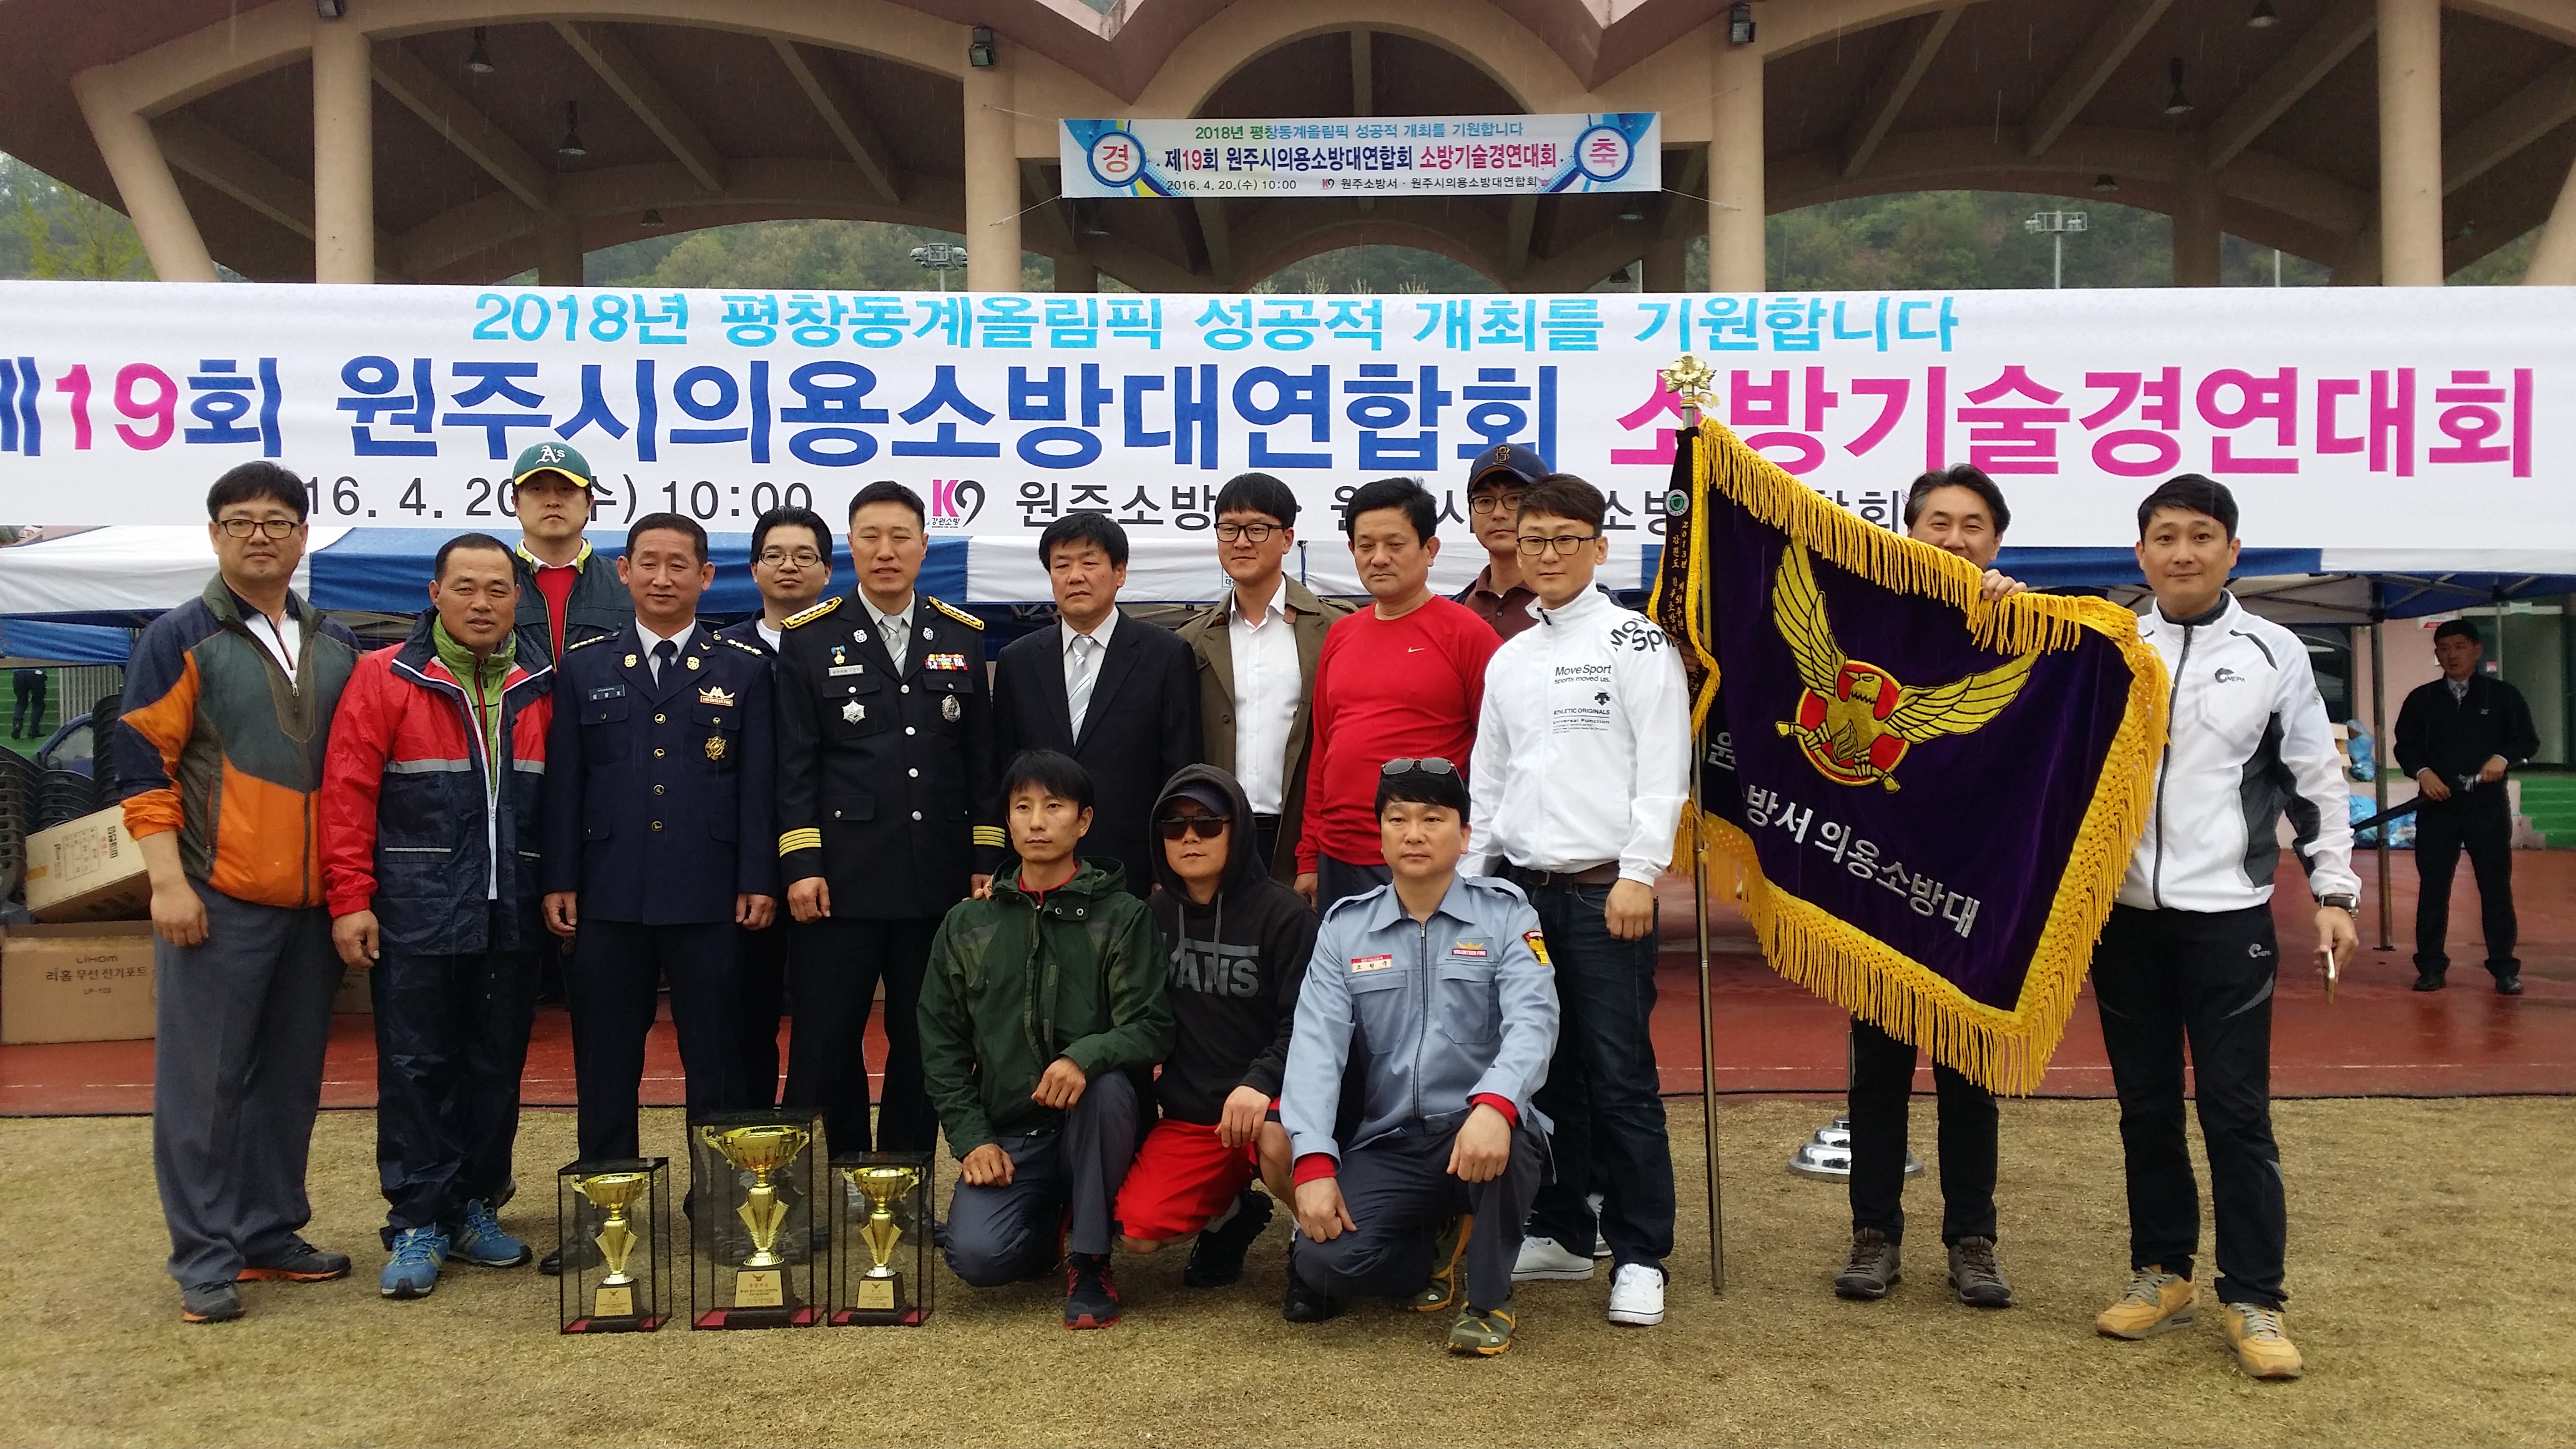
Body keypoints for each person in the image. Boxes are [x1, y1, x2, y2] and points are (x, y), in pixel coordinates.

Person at [2091, 475, 2356, 1382]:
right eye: (2165, 536)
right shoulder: (2112, 644)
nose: (2184, 553)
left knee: (2236, 1110)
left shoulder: (2274, 651)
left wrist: (2335, 891)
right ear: (2140, 553)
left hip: (2229, 917)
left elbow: (2315, 780)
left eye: (2202, 536)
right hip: (2124, 917)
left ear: (2232, 551)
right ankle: (2163, 1271)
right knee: (2146, 1106)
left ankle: (2255, 1295)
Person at [114, 462, 363, 1324]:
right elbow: (142, 768)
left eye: (278, 520)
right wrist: (168, 883)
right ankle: (204, 1257)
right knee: (204, 1086)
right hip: (217, 897)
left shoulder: (336, 643)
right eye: (242, 520)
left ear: (303, 535)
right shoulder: (178, 637)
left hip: (313, 905)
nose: (261, 535)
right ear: (215, 533)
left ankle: (267, 1232)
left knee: (288, 1081)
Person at [1464, 475, 1688, 1329]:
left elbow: (1663, 767)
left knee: (1620, 1075)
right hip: (1523, 897)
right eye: (1534, 541)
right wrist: (1475, 881)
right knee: (1543, 1071)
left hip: (1605, 894)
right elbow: (1489, 782)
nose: (1548, 555)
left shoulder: (1636, 642)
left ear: (1599, 546)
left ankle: (1640, 1254)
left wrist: (1640, 871)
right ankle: (1561, 1229)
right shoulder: (1512, 657)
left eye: (1565, 539)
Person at [539, 512, 778, 1276]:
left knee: (719, 1062)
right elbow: (567, 783)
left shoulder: (744, 668)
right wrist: (560, 878)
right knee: (605, 1060)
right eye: (649, 563)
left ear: (707, 577)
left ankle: (723, 1210)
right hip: (609, 894)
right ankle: (603, 1217)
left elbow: (759, 788)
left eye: (680, 565)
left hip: (711, 895)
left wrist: (758, 879)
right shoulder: (584, 667)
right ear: (624, 571)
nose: (663, 578)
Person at [320, 533, 554, 1299]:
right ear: (435, 594)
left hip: (512, 909)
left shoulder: (539, 685)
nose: (482, 603)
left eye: (497, 589)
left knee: (496, 1064)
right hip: (416, 906)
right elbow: (348, 793)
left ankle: (478, 1205)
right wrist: (350, 899)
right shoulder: (384, 676)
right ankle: (419, 1217)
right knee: (416, 1067)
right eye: (466, 588)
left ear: (517, 599)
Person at [1832, 464, 2027, 1309]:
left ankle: (1973, 1240)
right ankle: (1873, 1234)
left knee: (1967, 1075)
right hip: (1880, 883)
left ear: (1997, 540)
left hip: (1974, 887)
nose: (1954, 538)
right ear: (1909, 532)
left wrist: (2020, 614)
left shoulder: (2022, 625)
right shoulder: (1872, 618)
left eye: (1972, 524)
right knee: (1876, 1072)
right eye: (1937, 522)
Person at [1281, 758, 1558, 1355]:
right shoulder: (1344, 930)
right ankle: (1431, 1246)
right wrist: (1313, 1160)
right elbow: (1315, 1048)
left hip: (1478, 1129)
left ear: (1464, 835)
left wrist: (1496, 1104)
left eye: (1433, 819)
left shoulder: (1507, 915)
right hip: (1393, 1141)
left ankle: (1488, 1300)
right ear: (1380, 834)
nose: (1414, 834)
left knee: (1511, 1142)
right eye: (1398, 819)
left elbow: (1534, 1022)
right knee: (1322, 1264)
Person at [776, 482, 1003, 1160]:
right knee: (826, 1038)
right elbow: (795, 764)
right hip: (840, 881)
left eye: (900, 537)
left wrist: (985, 861)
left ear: (923, 546)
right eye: (871, 537)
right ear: (850, 546)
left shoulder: (961, 636)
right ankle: (839, 1174)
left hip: (936, 880)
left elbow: (982, 764)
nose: (885, 551)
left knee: (927, 1039)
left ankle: (904, 1180)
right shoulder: (809, 637)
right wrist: (802, 864)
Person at [919, 750, 1171, 1330]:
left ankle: (1091, 1260)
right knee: (977, 1258)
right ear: (1007, 819)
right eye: (1022, 807)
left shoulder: (1123, 916)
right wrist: (973, 1140)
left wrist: (1083, 1057)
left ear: (1083, 821)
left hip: (1099, 1127)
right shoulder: (968, 924)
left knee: (1106, 1086)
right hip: (1014, 1133)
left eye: (1053, 807)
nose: (1036, 822)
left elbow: (1152, 1027)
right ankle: (1053, 1224)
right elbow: (941, 1044)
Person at [1115, 764, 1309, 1286]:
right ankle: (1232, 1214)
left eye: (1207, 823)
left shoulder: (1286, 916)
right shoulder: (1151, 915)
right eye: (1174, 825)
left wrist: (1260, 1083)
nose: (1190, 837)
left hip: (1277, 1104)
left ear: (1237, 829)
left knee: (1277, 1144)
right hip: (1199, 1116)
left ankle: (1312, 1248)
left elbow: (1309, 1025)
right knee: (1138, 1232)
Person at [1297, 477, 1501, 909]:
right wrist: (1309, 855)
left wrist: (1476, 856)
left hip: (1421, 858)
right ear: (1351, 550)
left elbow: (1499, 756)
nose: (1379, 558)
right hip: (1337, 855)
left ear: (1430, 549)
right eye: (1366, 546)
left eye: (1395, 544)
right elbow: (1323, 753)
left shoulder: (1468, 634)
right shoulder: (1341, 634)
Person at [992, 510, 1199, 895]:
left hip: (1133, 862)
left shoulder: (1166, 655)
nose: (1075, 576)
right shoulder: (1017, 660)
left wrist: (1167, 867)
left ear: (1120, 572)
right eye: (1062, 565)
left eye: (1089, 563)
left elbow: (1180, 766)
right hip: (1037, 866)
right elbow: (1004, 766)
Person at [1174, 473, 1353, 878]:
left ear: (1287, 539)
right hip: (1217, 829)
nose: (1241, 542)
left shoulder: (1335, 629)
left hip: (1303, 832)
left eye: (1257, 529)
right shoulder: (1191, 640)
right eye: (1229, 529)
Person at [715, 505, 835, 1103]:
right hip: (745, 863)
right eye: (775, 555)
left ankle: (822, 1139)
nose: (789, 566)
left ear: (827, 572)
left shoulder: (847, 644)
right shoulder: (721, 654)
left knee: (827, 1018)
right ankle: (752, 1137)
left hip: (828, 861)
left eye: (804, 556)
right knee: (745, 1013)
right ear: (754, 569)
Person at [2393, 618, 2539, 995]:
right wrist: (2423, 772)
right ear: (2436, 654)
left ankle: (2504, 968)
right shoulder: (2423, 699)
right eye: (2444, 649)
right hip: (2437, 806)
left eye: (2460, 647)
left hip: (2486, 807)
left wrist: (2502, 758)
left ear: (2477, 650)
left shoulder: (2502, 696)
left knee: (2495, 887)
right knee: (2433, 888)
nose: (2452, 655)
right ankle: (2430, 967)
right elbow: (2404, 746)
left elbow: (2527, 740)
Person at [506, 441, 632, 669]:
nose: (553, 501)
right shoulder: (493, 585)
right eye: (537, 490)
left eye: (566, 489)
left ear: (589, 503)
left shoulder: (625, 584)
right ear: (515, 503)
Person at [1455, 444, 1550, 640]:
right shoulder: (1454, 612)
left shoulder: (1581, 607)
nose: (1498, 514)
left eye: (1515, 499)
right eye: (1485, 501)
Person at [10, 665, 44, 738]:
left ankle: (17, 723)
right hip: (36, 672)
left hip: (19, 673)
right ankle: (33, 729)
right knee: (38, 703)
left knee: (21, 702)